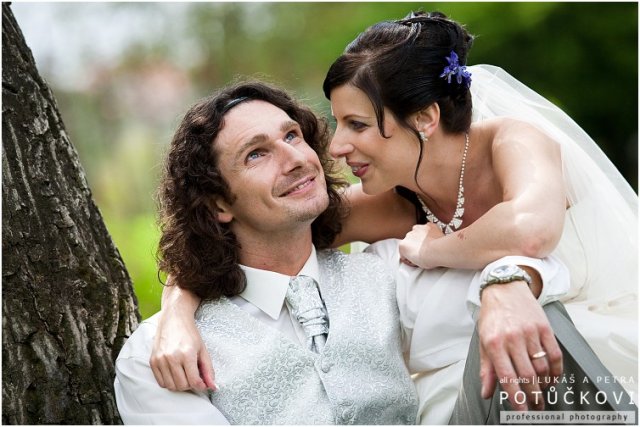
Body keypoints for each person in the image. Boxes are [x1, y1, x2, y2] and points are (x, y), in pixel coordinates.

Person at [114, 80, 568, 424]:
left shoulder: (388, 270)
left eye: (292, 136)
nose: (295, 159)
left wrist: (505, 283)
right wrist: (178, 309)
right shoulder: (155, 356)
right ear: (217, 204)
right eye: (256, 154)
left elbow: (537, 264)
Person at [322, 8, 637, 413]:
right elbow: (278, 231)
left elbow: (530, 230)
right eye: (337, 124)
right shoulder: (389, 200)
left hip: (599, 356)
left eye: (357, 124)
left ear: (424, 117)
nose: (337, 146)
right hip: (485, 391)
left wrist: (433, 250)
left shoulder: (513, 141)